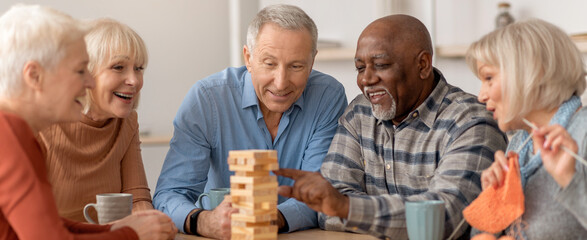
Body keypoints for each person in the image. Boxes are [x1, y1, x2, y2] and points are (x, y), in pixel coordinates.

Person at [273, 14, 507, 239]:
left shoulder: (472, 121)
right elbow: (327, 212)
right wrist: (344, 208)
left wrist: (348, 208)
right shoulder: (360, 113)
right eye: (360, 68)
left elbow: (444, 219)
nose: (366, 80)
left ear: (423, 65)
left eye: (381, 65)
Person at [153, 4, 347, 239]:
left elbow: (322, 193)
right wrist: (205, 222)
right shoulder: (207, 99)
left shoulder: (328, 96)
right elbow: (169, 195)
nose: (281, 82)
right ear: (248, 57)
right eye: (269, 63)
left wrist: (264, 219)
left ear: (312, 62)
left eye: (296, 66)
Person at [0, 4, 175, 240]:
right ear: (34, 76)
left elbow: (53, 225)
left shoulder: (14, 131)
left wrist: (119, 229)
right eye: (80, 71)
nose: (89, 83)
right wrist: (129, 234)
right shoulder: (8, 136)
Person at [468, 19, 587, 239]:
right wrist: (493, 200)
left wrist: (570, 180)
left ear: (533, 72)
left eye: (489, 78)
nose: (481, 96)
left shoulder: (583, 132)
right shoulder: (520, 142)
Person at [38, 18, 152, 223]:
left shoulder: (126, 123)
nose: (134, 80)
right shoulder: (41, 124)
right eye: (118, 67)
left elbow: (138, 198)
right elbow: (30, 221)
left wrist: (150, 222)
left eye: (139, 68)